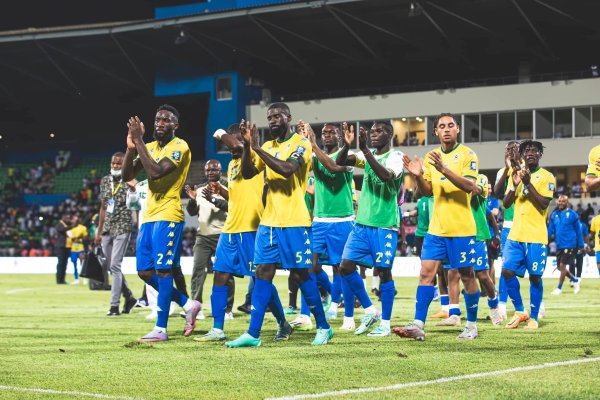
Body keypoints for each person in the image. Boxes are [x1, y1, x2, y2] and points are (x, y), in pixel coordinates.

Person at [225, 102, 333, 347]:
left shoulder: (301, 144)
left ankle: (324, 327)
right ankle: (253, 334)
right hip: (268, 222)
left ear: (288, 117)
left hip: (294, 221)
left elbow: (287, 169)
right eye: (269, 117)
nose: (272, 120)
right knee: (262, 272)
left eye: (277, 116)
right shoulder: (266, 146)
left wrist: (256, 148)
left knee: (301, 274)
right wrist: (247, 148)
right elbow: (249, 173)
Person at [195, 124, 291, 342]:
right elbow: (236, 196)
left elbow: (238, 146)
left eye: (236, 139)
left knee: (260, 280)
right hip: (230, 228)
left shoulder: (254, 156)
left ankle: (282, 322)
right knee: (220, 275)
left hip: (252, 228)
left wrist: (220, 133)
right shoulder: (231, 164)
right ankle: (217, 329)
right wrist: (221, 191)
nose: (231, 146)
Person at [394, 113, 481, 340]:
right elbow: (426, 192)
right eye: (442, 126)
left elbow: (470, 186)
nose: (446, 129)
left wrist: (444, 169)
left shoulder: (468, 155)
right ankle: (418, 324)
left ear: (458, 129)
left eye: (451, 125)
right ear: (436, 132)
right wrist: (417, 176)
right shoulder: (431, 157)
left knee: (467, 275)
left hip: (462, 229)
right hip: (436, 229)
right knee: (426, 273)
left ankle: (471, 325)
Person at [121, 104, 201, 342]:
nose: (160, 123)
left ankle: (160, 328)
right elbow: (127, 176)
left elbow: (156, 172)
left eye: (166, 120)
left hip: (169, 213)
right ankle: (188, 304)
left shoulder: (180, 146)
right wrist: (130, 148)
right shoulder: (150, 147)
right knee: (145, 272)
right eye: (157, 119)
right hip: (149, 216)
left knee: (164, 271)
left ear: (176, 125)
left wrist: (139, 141)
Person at [334, 121, 404, 337]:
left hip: (384, 224)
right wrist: (347, 145)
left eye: (379, 131)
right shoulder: (367, 154)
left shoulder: (396, 157)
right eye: (372, 131)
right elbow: (340, 161)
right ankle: (371, 310)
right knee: (345, 266)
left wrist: (364, 149)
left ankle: (385, 323)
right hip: (362, 223)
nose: (374, 134)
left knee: (383, 272)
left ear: (390, 135)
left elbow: (385, 175)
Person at [292, 121, 356, 331]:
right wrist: (302, 140)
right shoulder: (314, 156)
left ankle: (349, 317)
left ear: (339, 136)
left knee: (343, 270)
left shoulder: (348, 155)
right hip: (319, 221)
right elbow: (297, 167)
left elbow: (333, 167)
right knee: (308, 267)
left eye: (331, 132)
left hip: (342, 220)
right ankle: (305, 314)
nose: (326, 135)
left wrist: (312, 144)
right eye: (323, 132)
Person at [501, 140, 555, 331]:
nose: (531, 153)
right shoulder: (516, 174)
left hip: (536, 235)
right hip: (516, 234)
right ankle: (520, 310)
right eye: (527, 150)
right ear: (522, 155)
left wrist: (527, 183)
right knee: (507, 271)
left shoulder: (547, 176)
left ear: (540, 154)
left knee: (535, 277)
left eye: (535, 150)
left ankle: (534, 317)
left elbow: (543, 204)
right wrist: (514, 185)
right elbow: (506, 203)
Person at [437, 174, 502, 327]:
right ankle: (454, 314)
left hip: (477, 235)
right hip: (458, 234)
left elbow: (474, 191)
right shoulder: (456, 176)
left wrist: (496, 234)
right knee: (452, 273)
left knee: (482, 276)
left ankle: (494, 306)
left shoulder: (481, 178)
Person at [185, 160, 235, 321]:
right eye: (208, 170)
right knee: (198, 271)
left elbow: (233, 207)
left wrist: (213, 199)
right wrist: (192, 201)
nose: (210, 173)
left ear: (220, 171)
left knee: (226, 273)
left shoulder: (229, 187)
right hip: (203, 237)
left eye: (214, 170)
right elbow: (192, 212)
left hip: (223, 236)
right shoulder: (200, 189)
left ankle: (227, 309)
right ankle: (196, 307)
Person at [97, 152, 138, 316]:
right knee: (110, 266)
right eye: (113, 163)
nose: (115, 166)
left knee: (115, 265)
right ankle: (129, 297)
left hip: (123, 227)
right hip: (107, 227)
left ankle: (114, 306)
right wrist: (98, 232)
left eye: (119, 163)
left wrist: (139, 232)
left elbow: (136, 207)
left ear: (124, 165)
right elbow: (103, 207)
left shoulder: (131, 182)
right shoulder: (105, 181)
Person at [493, 141, 520, 320]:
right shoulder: (502, 172)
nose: (510, 151)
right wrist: (506, 170)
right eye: (507, 149)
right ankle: (502, 306)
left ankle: (538, 304)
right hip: (509, 225)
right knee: (505, 266)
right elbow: (496, 192)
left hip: (528, 223)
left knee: (532, 269)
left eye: (514, 148)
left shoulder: (528, 168)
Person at [548, 195, 583, 295]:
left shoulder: (573, 215)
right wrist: (545, 239)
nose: (561, 203)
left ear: (567, 202)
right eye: (560, 201)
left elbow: (578, 231)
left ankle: (559, 288)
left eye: (563, 201)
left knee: (562, 266)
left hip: (570, 244)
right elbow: (550, 229)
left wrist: (581, 245)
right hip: (559, 244)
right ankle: (575, 280)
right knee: (560, 268)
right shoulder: (554, 215)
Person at [66, 214, 88, 285]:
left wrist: (78, 239)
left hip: (81, 248)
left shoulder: (82, 228)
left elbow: (86, 238)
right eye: (73, 220)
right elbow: (71, 239)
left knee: (82, 264)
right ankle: (76, 279)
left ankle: (84, 278)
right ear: (71, 220)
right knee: (74, 264)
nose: (74, 221)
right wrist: (78, 238)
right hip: (73, 249)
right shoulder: (69, 229)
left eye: (76, 220)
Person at [54, 213, 74, 284]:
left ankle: (62, 279)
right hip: (60, 247)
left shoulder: (66, 225)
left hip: (67, 247)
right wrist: (71, 226)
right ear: (63, 218)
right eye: (67, 218)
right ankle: (59, 280)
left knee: (65, 264)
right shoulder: (60, 224)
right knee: (61, 263)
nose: (68, 219)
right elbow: (61, 230)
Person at [570, 216, 589, 282]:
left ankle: (576, 278)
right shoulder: (572, 224)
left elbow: (586, 235)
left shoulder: (583, 225)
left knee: (577, 261)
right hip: (574, 245)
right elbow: (586, 236)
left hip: (578, 245)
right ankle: (574, 278)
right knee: (574, 262)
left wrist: (586, 245)